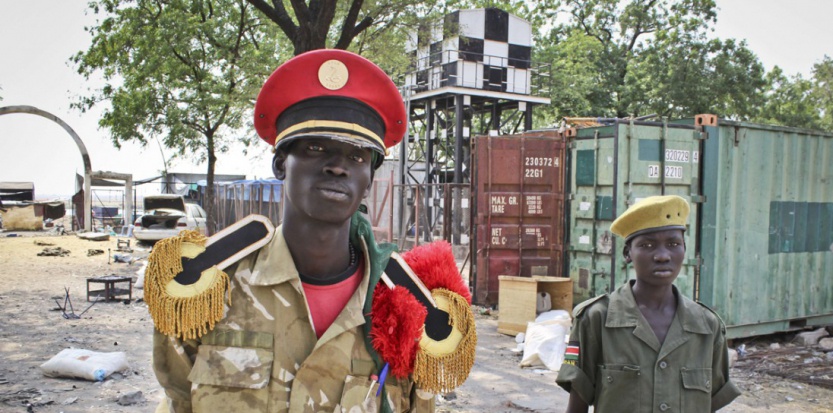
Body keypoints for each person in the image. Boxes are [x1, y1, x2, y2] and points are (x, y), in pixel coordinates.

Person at [150, 50, 437, 412]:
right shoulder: (205, 288)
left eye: (357, 156)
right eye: (316, 147)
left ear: (368, 181)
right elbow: (178, 400)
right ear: (280, 164)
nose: (337, 167)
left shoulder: (406, 309)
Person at [556, 195, 741, 412]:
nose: (662, 256)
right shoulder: (596, 319)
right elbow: (576, 407)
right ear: (628, 253)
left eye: (673, 244)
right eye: (647, 245)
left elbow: (710, 404)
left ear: (684, 248)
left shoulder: (707, 326)